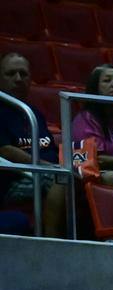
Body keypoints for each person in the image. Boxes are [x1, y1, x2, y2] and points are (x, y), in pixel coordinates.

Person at [0, 52, 69, 239]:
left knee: (86, 180)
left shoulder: (34, 113)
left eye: (23, 74)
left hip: (45, 172)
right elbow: (6, 151)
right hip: (14, 180)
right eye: (10, 73)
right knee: (62, 180)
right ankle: (50, 241)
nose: (18, 79)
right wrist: (48, 167)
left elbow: (49, 148)